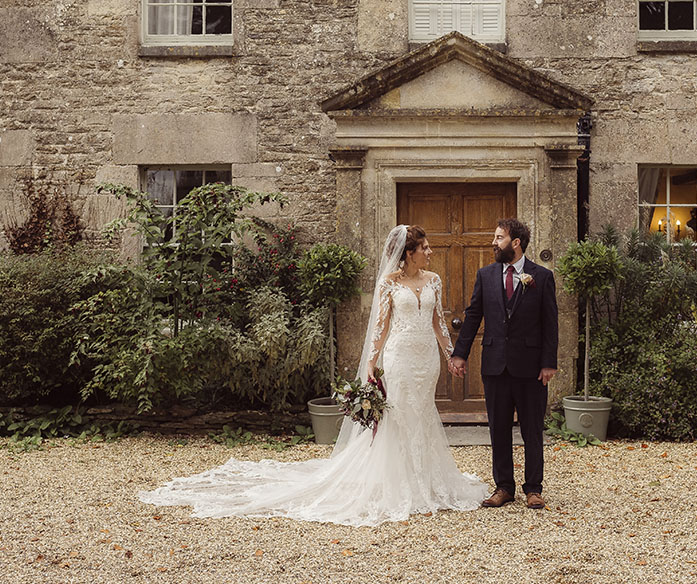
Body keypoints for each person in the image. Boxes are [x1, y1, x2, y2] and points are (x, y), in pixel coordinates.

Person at [139, 224, 487, 527]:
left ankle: (426, 479)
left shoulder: (434, 280)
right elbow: (380, 327)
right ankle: (399, 483)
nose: (429, 252)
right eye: (424, 248)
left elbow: (439, 323)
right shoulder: (389, 283)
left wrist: (452, 355)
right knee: (399, 417)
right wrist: (371, 363)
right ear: (408, 253)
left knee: (423, 413)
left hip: (426, 359)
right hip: (398, 358)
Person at [449, 218, 558, 510]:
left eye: (499, 238)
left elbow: (551, 323)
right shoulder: (485, 275)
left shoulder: (542, 277)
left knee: (532, 429)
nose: (493, 243)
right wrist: (460, 354)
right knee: (498, 429)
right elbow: (473, 316)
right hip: (495, 365)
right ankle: (504, 487)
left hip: (531, 367)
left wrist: (549, 363)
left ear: (516, 243)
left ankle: (533, 488)